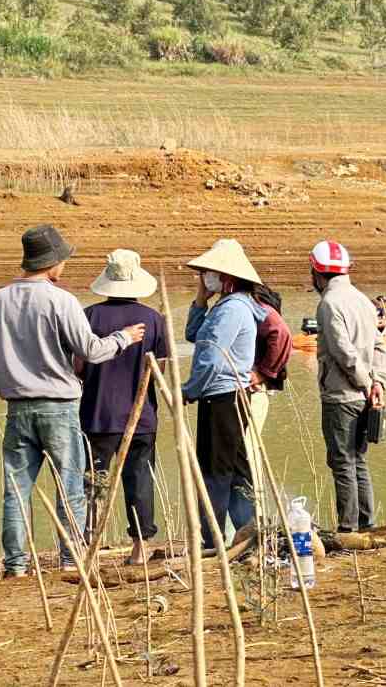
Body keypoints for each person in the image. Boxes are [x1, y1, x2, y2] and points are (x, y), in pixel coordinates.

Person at [0, 225, 145, 577]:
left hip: (17, 409)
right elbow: (90, 350)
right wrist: (124, 337)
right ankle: (69, 560)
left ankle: (15, 566)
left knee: (16, 490)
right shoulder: (61, 301)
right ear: (53, 262)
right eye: (64, 260)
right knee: (70, 488)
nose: (65, 266)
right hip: (59, 407)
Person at [79, 250, 169, 566]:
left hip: (97, 414)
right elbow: (160, 369)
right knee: (139, 479)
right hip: (141, 415)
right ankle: (140, 547)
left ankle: (88, 543)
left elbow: (78, 364)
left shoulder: (88, 316)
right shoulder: (154, 320)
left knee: (94, 481)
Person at [181, 239, 267, 549]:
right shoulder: (226, 306)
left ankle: (212, 539)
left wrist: (188, 390)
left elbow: (212, 359)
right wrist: (200, 300)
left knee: (216, 471)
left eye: (208, 272)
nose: (204, 277)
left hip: (222, 398)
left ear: (226, 277)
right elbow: (193, 335)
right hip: (228, 396)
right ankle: (247, 532)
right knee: (234, 469)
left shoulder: (232, 310)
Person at [310, 240, 386, 533]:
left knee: (342, 463)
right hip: (365, 395)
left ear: (316, 272)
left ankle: (348, 529)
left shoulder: (329, 304)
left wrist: (368, 382)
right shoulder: (362, 300)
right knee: (358, 462)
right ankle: (366, 524)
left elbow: (343, 352)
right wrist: (378, 383)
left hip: (341, 396)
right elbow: (381, 346)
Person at [244, 283, 292, 519]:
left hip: (254, 391)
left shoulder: (256, 304)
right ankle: (251, 516)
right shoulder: (249, 302)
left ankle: (256, 516)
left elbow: (281, 334)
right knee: (245, 452)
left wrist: (263, 372)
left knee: (248, 451)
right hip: (249, 391)